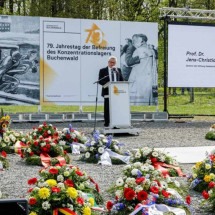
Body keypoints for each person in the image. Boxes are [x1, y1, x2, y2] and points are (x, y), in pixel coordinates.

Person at [128, 34, 157, 105]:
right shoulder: (152, 51)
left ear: (143, 42)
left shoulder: (138, 51)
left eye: (136, 41)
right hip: (148, 79)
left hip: (139, 79)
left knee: (138, 100)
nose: (134, 42)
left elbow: (130, 63)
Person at [98, 56, 124, 127]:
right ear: (108, 62)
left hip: (117, 92)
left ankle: (116, 123)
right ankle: (107, 123)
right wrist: (109, 84)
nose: (112, 64)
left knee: (117, 108)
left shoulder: (118, 70)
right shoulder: (103, 70)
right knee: (107, 109)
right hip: (107, 92)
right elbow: (100, 81)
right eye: (111, 62)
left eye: (114, 62)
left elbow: (122, 80)